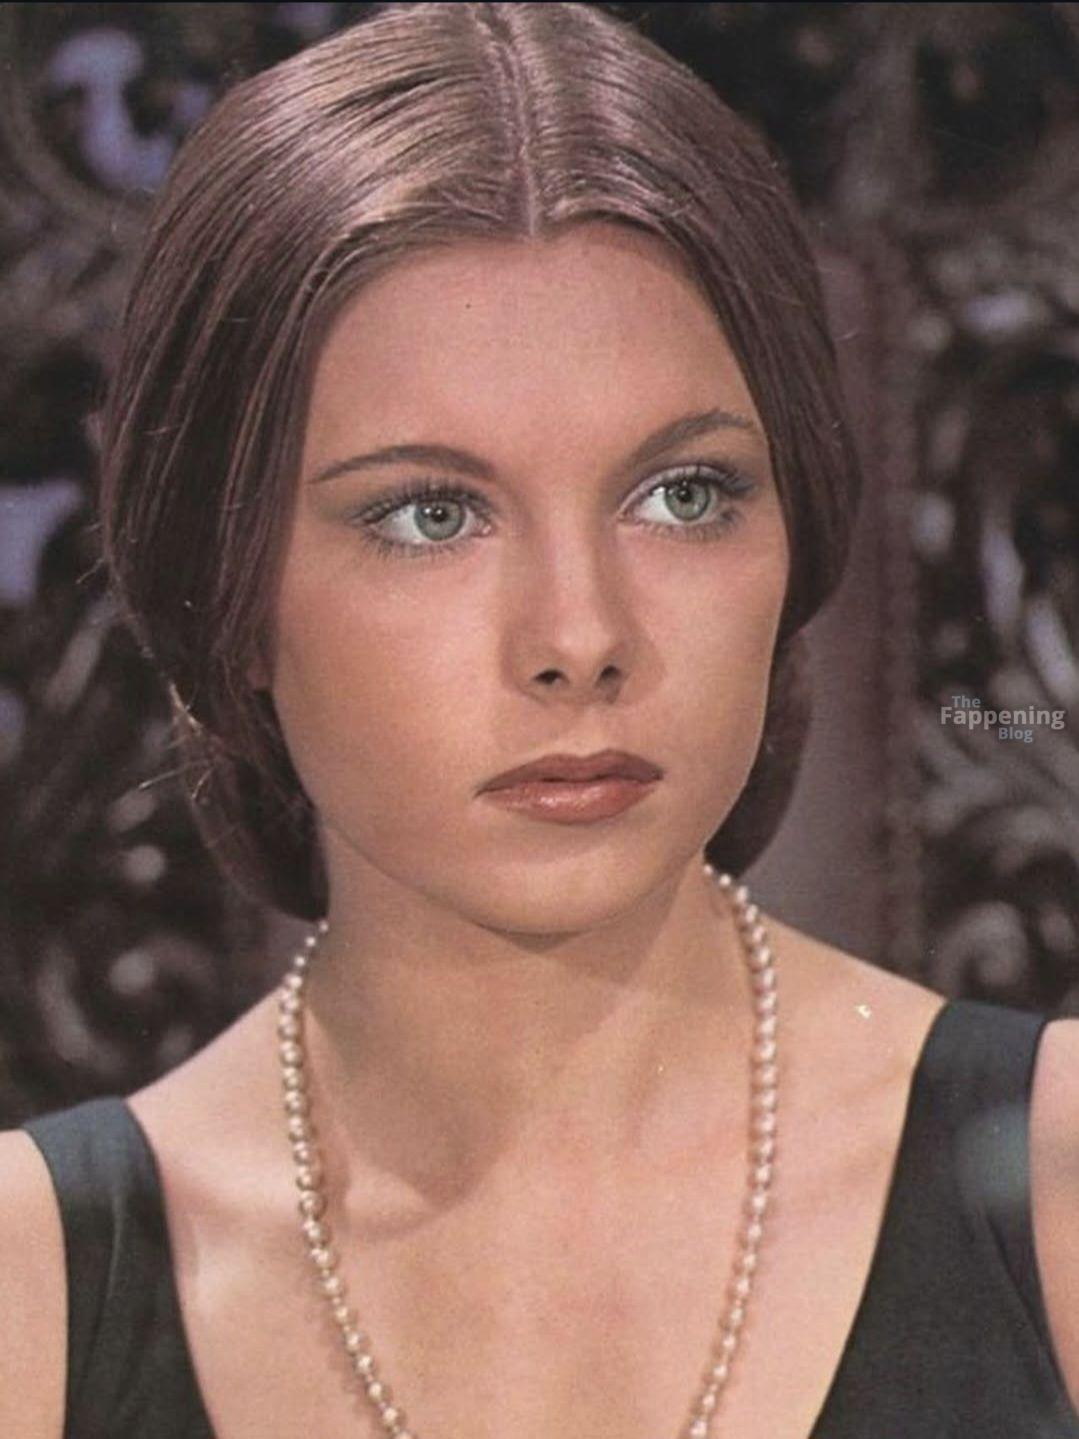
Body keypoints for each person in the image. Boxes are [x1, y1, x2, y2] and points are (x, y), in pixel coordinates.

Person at [2, 3, 1077, 1436]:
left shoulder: (1059, 1187)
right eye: (429, 515)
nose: (580, 638)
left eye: (682, 495)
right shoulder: (30, 1289)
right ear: (229, 593)